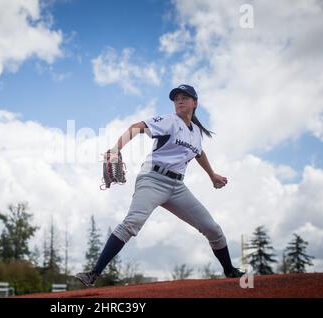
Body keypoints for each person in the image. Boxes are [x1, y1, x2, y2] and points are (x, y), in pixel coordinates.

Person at [75, 84, 244, 287]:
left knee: (213, 229)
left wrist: (212, 175)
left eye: (185, 97)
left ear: (195, 103)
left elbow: (200, 153)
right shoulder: (169, 121)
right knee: (132, 222)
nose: (179, 100)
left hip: (177, 187)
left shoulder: (196, 132)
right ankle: (93, 274)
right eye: (176, 98)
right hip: (152, 179)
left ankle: (230, 271)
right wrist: (115, 149)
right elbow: (136, 127)